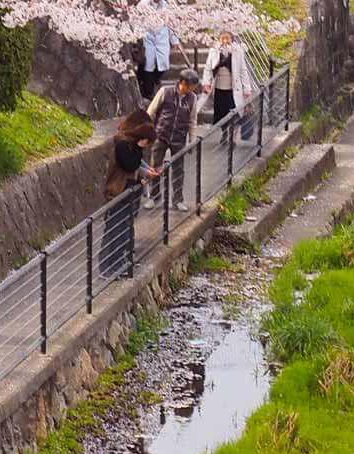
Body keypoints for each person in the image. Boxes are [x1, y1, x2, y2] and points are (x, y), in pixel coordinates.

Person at [101, 109, 157, 277]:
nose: (146, 146)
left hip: (127, 192)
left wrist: (146, 173)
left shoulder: (128, 144)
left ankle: (119, 264)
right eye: (146, 142)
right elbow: (131, 165)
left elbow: (137, 164)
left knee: (124, 229)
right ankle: (109, 268)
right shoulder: (123, 145)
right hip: (119, 192)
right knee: (116, 230)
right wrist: (140, 152)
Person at [146, 68, 202, 207]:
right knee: (155, 165)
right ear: (182, 82)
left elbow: (192, 120)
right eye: (191, 86)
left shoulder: (193, 98)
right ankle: (153, 197)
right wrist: (148, 132)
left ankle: (178, 200)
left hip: (179, 137)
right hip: (161, 134)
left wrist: (192, 140)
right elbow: (151, 111)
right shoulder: (165, 92)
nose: (192, 89)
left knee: (178, 169)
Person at [134, 0, 178, 101]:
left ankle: (153, 80)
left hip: (162, 37)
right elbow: (136, 21)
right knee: (149, 64)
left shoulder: (166, 6)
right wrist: (138, 35)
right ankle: (148, 92)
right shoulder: (143, 5)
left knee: (163, 65)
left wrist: (174, 41)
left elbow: (171, 24)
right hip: (148, 37)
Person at [203, 32, 250, 132]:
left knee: (232, 112)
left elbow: (243, 70)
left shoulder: (237, 51)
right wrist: (206, 82)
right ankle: (224, 132)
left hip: (232, 87)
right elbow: (208, 68)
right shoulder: (214, 51)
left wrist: (247, 89)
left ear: (232, 39)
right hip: (219, 87)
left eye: (227, 38)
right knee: (221, 113)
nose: (225, 41)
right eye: (222, 38)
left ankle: (232, 135)